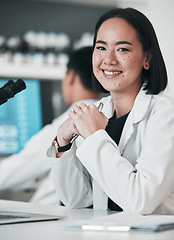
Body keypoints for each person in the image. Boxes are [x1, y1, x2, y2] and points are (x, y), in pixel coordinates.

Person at [47, 8, 174, 214]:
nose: (109, 60)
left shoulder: (165, 115)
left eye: (122, 49)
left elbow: (140, 201)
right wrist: (62, 143)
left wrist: (96, 136)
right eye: (101, 47)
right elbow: (76, 200)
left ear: (147, 58)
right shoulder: (98, 111)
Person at [0, 46, 100, 205]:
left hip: (53, 216)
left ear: (71, 76)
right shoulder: (105, 116)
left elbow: (11, 174)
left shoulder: (66, 124)